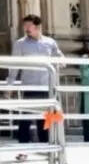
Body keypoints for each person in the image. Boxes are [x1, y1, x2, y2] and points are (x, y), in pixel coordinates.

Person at [7, 14, 63, 152]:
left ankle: (46, 148)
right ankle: (23, 149)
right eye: (25, 26)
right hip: (30, 86)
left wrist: (61, 61)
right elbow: (14, 65)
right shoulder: (20, 43)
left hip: (47, 87)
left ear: (37, 27)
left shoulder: (50, 42)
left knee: (46, 120)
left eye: (29, 25)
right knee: (25, 120)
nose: (26, 28)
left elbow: (59, 57)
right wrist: (10, 84)